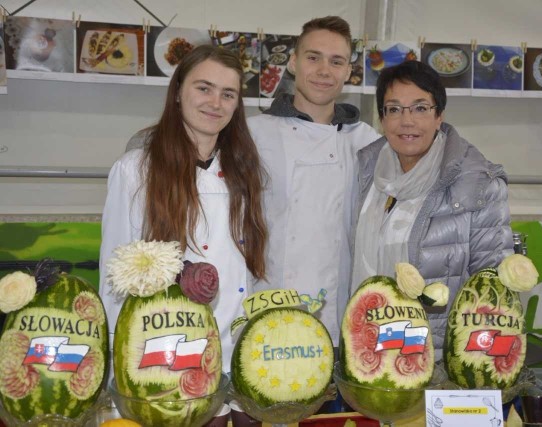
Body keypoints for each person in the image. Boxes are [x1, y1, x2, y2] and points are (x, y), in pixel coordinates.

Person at [99, 45, 267, 374]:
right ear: (177, 92)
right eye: (204, 88)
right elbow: (114, 277)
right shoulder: (135, 171)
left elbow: (247, 271)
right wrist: (121, 359)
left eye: (228, 94)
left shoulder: (243, 171)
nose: (215, 103)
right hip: (164, 352)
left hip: (235, 352)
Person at [351, 60, 513, 360]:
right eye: (394, 109)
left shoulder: (478, 184)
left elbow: (493, 291)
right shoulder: (364, 173)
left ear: (439, 116)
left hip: (436, 359)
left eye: (420, 108)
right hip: (364, 348)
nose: (407, 121)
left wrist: (477, 367)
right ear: (382, 119)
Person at [247, 16, 380, 345]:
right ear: (293, 63)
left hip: (336, 316)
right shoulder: (251, 134)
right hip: (264, 303)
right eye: (313, 57)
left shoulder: (368, 142)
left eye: (336, 61)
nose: (324, 70)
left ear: (348, 71)